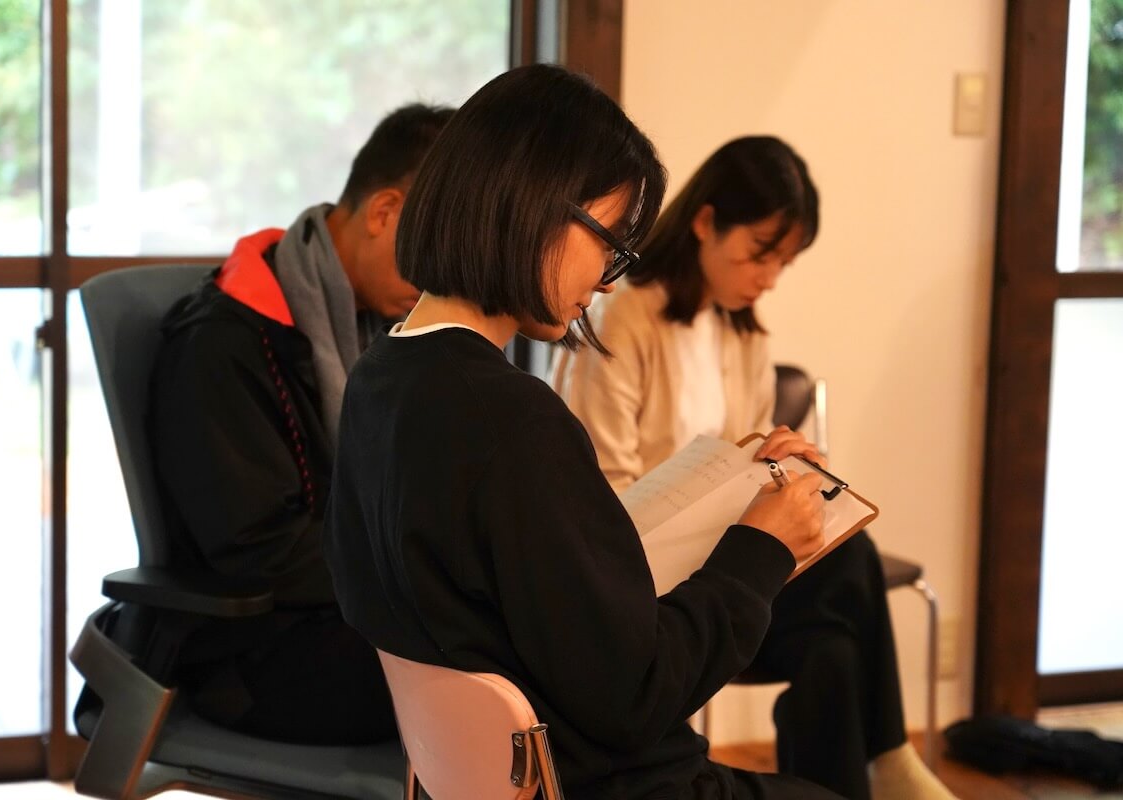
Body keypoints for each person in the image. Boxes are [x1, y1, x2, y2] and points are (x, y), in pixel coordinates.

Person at [324, 64, 846, 799]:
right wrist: (761, 550)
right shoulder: (512, 421)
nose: (607, 279)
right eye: (609, 243)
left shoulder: (380, 378)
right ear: (532, 205)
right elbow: (636, 695)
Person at [550, 136, 956, 800]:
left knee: (833, 643)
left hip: (728, 561)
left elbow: (745, 469)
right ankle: (889, 758)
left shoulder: (745, 332)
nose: (768, 277)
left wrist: (778, 466)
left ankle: (873, 771)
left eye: (783, 263)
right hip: (646, 577)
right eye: (760, 253)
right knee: (847, 588)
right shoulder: (623, 319)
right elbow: (605, 493)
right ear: (706, 222)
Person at [148, 102, 454, 744]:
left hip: (347, 618)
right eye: (439, 252)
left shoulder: (380, 331)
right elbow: (261, 552)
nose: (445, 282)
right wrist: (427, 568)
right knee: (506, 673)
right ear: (385, 212)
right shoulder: (224, 341)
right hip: (254, 651)